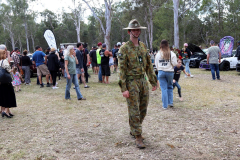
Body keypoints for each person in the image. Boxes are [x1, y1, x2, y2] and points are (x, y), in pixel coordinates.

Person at [118, 19, 157, 149]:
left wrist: (153, 80)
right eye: (134, 30)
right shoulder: (124, 49)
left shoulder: (143, 46)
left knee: (143, 109)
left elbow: (148, 65)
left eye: (138, 30)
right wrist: (124, 88)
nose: (136, 32)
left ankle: (134, 129)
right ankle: (138, 135)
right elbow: (121, 69)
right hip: (131, 81)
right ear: (129, 32)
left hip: (142, 80)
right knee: (134, 109)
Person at [155, 39, 177, 109]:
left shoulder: (158, 54)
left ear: (160, 45)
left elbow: (156, 64)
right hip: (170, 72)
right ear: (168, 45)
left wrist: (160, 68)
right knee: (170, 87)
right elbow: (175, 63)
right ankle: (170, 102)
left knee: (163, 88)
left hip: (161, 72)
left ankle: (164, 105)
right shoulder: (172, 54)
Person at [0, 47, 17, 118]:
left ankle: (5, 111)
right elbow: (8, 69)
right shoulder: (4, 61)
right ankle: (6, 112)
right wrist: (12, 70)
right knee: (8, 95)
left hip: (1, 81)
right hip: (6, 81)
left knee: (3, 96)